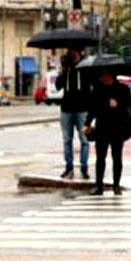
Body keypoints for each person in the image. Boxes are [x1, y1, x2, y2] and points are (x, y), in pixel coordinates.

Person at [84, 68, 131, 195]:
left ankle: (116, 186)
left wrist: (118, 104)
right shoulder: (98, 89)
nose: (103, 78)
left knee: (117, 157)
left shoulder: (123, 89)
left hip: (118, 127)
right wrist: (87, 124)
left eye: (105, 76)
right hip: (102, 127)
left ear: (111, 76)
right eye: (102, 76)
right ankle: (99, 186)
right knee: (100, 158)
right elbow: (92, 108)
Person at [55, 48, 91, 179]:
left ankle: (84, 167)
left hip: (82, 108)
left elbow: (91, 85)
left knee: (84, 140)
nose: (72, 53)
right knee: (67, 140)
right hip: (67, 108)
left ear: (80, 51)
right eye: (70, 50)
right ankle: (69, 167)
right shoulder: (66, 67)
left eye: (74, 50)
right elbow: (58, 86)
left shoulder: (86, 66)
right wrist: (62, 72)